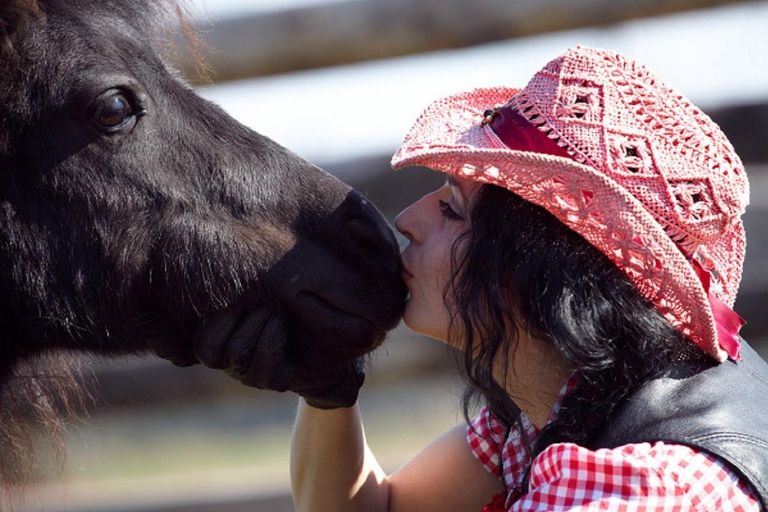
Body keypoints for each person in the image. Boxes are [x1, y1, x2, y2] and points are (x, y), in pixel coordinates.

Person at [200, 46, 768, 510]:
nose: (407, 221)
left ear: (543, 268)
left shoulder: (638, 490)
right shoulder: (575, 394)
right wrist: (327, 387)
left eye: (452, 210)